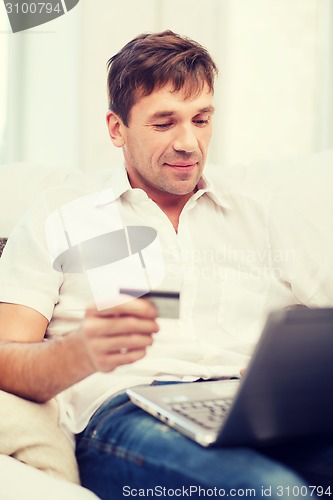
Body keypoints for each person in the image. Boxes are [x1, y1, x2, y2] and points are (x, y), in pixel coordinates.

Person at [0, 30, 332, 499]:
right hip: (127, 415)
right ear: (116, 128)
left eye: (201, 119)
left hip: (252, 409)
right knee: (273, 492)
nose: (189, 144)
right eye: (164, 123)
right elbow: (4, 355)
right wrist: (76, 353)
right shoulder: (62, 215)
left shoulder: (262, 216)